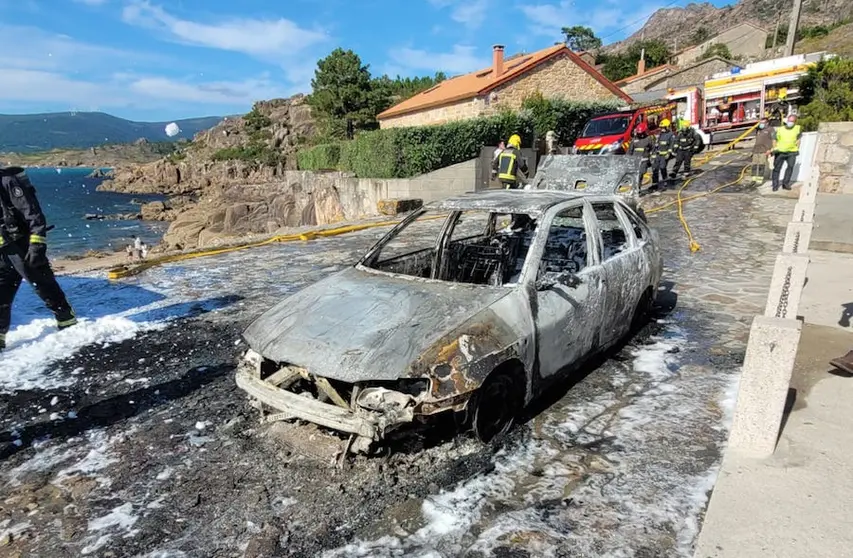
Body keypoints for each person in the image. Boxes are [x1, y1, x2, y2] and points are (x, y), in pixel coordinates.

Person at [0, 166, 76, 351]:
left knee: (44, 286)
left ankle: (69, 327)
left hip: (21, 246)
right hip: (3, 252)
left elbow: (33, 214)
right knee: (1, 296)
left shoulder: (8, 181)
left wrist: (37, 246)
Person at [771, 114, 802, 192]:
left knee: (790, 167)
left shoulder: (797, 129)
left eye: (792, 121)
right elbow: (774, 139)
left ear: (795, 122)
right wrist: (775, 148)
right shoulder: (780, 129)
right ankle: (775, 185)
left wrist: (797, 147)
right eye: (789, 121)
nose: (790, 122)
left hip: (791, 152)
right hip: (780, 152)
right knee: (777, 169)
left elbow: (798, 139)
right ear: (787, 120)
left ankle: (785, 184)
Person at [651, 118, 675, 190]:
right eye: (661, 128)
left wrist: (669, 153)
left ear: (667, 127)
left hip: (665, 155)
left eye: (663, 128)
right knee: (655, 168)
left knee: (662, 168)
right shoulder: (660, 134)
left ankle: (665, 181)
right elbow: (656, 144)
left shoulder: (671, 135)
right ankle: (654, 183)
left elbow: (671, 144)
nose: (662, 129)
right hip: (658, 154)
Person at [752, 118, 774, 182]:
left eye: (763, 123)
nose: (761, 124)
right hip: (756, 150)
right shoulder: (759, 130)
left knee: (761, 165)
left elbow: (774, 140)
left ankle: (759, 180)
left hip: (764, 150)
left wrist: (770, 149)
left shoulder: (770, 130)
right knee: (754, 165)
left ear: (767, 123)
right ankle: (753, 179)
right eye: (760, 123)